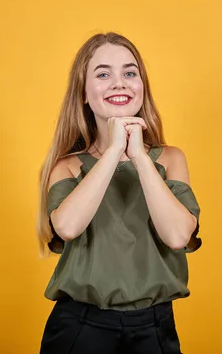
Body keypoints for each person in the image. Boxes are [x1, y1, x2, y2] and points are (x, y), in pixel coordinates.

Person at [36, 32, 202, 354]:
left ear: (142, 87)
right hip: (80, 328)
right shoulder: (67, 167)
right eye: (103, 74)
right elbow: (68, 227)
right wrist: (113, 151)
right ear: (84, 94)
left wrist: (139, 157)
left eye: (129, 72)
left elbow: (178, 235)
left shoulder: (170, 159)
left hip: (154, 328)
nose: (119, 83)